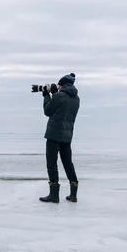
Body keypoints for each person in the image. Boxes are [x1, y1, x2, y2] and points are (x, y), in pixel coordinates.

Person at [39, 73, 80, 203]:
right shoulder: (76, 98)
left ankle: (54, 195)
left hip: (53, 134)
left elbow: (47, 111)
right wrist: (55, 94)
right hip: (67, 136)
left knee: (52, 163)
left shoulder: (58, 96)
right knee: (68, 163)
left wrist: (47, 95)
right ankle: (73, 194)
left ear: (61, 85)